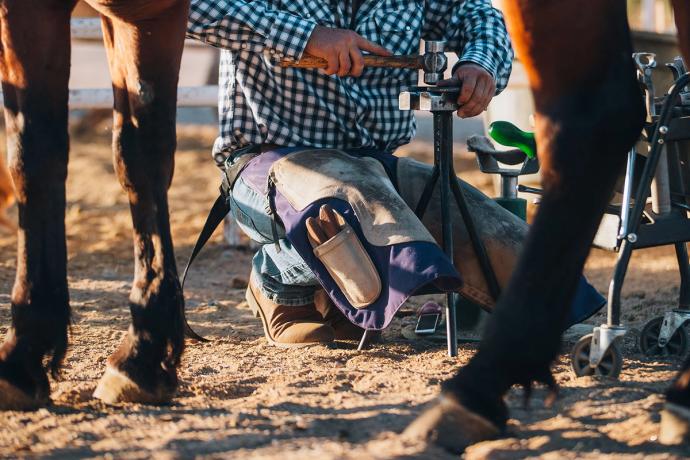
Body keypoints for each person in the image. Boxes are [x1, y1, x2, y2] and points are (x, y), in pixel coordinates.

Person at [186, 0, 599, 346]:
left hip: (373, 167)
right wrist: (303, 36)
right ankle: (279, 283)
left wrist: (480, 64)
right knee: (357, 206)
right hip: (266, 164)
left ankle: (343, 297)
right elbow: (188, 9)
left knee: (489, 229)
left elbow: (479, 14)